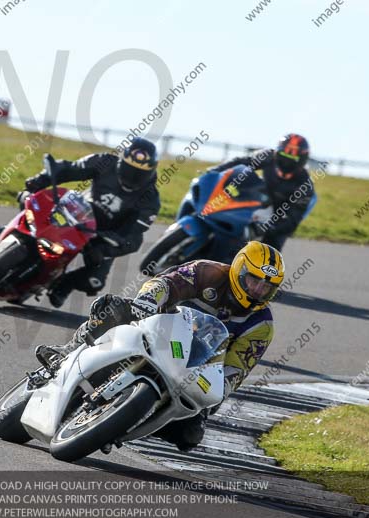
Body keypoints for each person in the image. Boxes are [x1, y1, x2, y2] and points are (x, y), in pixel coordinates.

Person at [36, 241, 284, 452]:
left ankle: (123, 426)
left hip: (191, 367)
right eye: (254, 281)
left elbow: (237, 369)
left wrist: (214, 399)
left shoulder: (261, 324)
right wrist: (146, 303)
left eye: (266, 287)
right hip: (157, 328)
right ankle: (65, 352)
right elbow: (165, 284)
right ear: (239, 269)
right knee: (112, 309)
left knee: (190, 436)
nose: (258, 290)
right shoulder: (207, 272)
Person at [22, 137, 161, 308]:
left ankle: (64, 284)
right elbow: (69, 169)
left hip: (103, 236)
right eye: (130, 169)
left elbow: (133, 234)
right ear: (122, 162)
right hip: (78, 212)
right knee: (32, 203)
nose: (133, 176)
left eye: (140, 173)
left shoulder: (151, 200)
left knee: (94, 281)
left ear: (150, 171)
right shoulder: (104, 162)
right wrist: (38, 181)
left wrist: (105, 250)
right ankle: (17, 235)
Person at [212, 133, 314, 251]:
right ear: (277, 153)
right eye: (283, 155)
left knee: (270, 253)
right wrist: (215, 171)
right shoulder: (267, 156)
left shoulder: (305, 185)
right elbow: (241, 162)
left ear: (301, 160)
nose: (287, 161)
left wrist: (267, 228)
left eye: (293, 159)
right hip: (258, 199)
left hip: (279, 217)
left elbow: (292, 221)